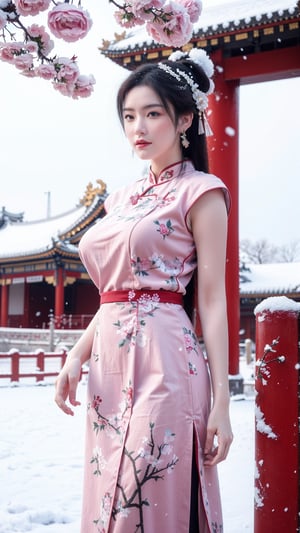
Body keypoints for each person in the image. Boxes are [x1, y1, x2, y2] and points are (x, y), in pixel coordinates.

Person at [55, 48, 233, 533]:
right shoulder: (121, 199)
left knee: (153, 494)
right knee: (109, 493)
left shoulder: (202, 193)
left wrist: (221, 401)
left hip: (167, 362)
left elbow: (213, 300)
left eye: (153, 113)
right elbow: (114, 292)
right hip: (109, 367)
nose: (139, 127)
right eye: (129, 116)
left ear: (184, 120)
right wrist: (76, 355)